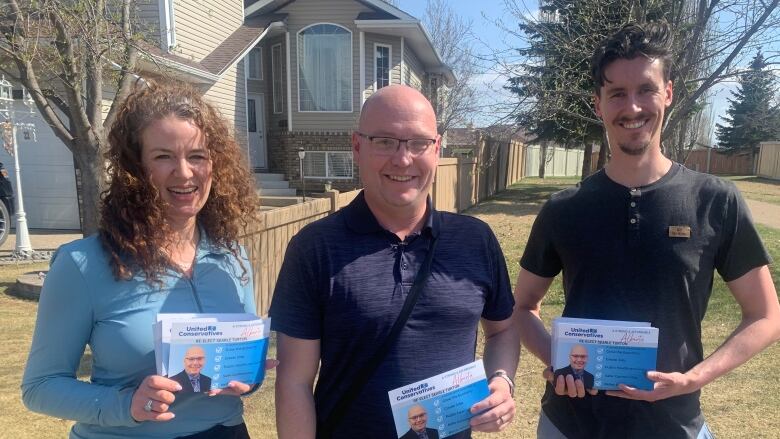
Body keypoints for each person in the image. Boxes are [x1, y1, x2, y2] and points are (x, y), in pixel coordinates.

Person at [514, 21, 780, 439]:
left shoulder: (716, 200)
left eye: (646, 89)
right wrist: (561, 359)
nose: (632, 107)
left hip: (675, 425)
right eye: (616, 93)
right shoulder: (564, 209)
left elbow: (765, 316)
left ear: (668, 93)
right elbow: (522, 306)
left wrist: (695, 378)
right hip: (571, 426)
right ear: (598, 104)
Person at [270, 85, 519, 438]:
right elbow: (294, 380)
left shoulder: (475, 240)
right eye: (384, 141)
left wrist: (502, 380)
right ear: (357, 146)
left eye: (417, 142)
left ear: (436, 147)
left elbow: (504, 330)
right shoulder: (314, 248)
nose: (402, 159)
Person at [22, 83, 268, 438]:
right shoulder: (83, 264)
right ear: (135, 168)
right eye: (164, 156)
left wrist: (249, 377)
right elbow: (40, 387)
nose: (184, 173)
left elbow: (235, 366)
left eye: (197, 155)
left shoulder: (232, 258)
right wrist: (128, 405)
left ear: (216, 165)